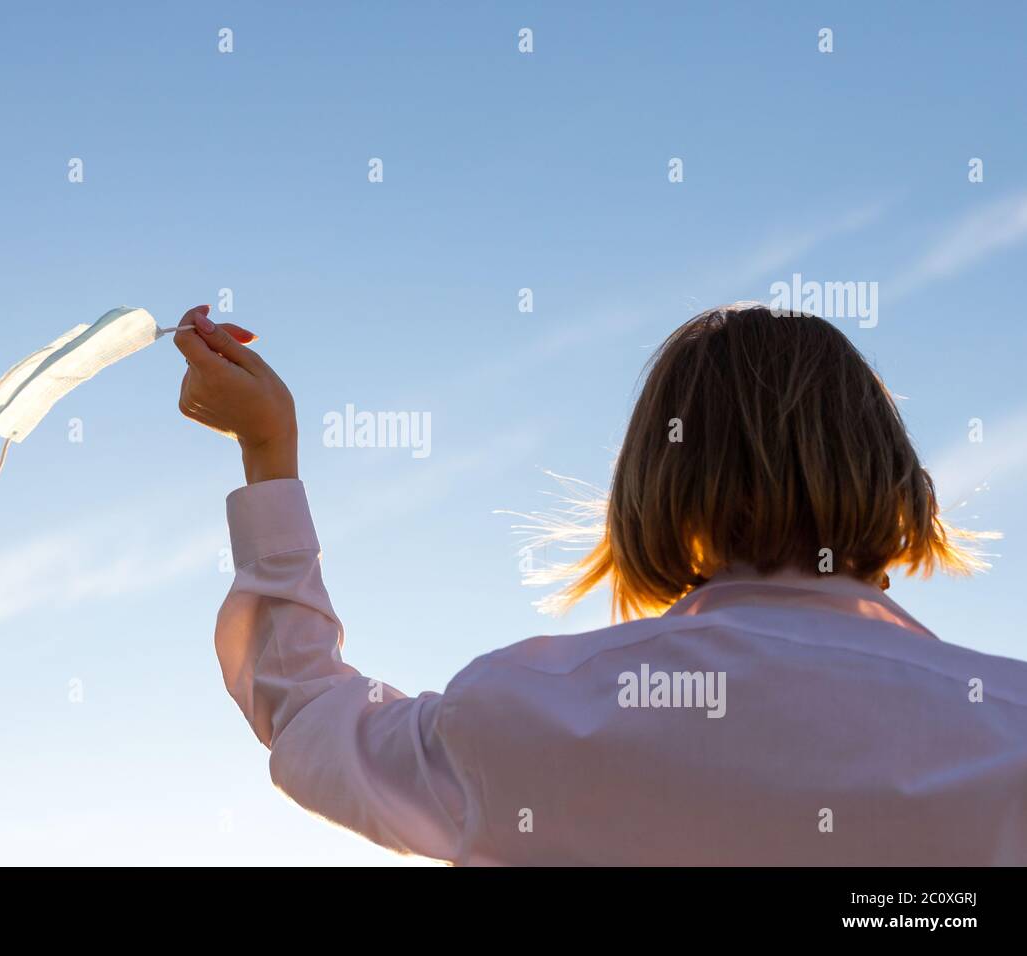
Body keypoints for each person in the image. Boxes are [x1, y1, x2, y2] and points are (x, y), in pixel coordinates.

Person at [172, 302, 1026, 865]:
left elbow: (307, 712)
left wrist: (267, 453)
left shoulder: (528, 708)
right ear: (893, 472)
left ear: (657, 481)